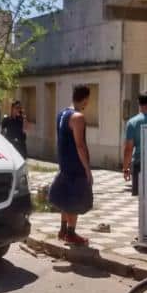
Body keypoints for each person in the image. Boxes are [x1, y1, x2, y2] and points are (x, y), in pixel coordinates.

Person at [48, 85, 93, 245]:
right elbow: (80, 145)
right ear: (86, 99)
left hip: (64, 163)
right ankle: (71, 233)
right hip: (75, 165)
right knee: (75, 200)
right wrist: (87, 169)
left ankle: (62, 229)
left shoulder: (62, 114)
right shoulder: (78, 117)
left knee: (66, 198)